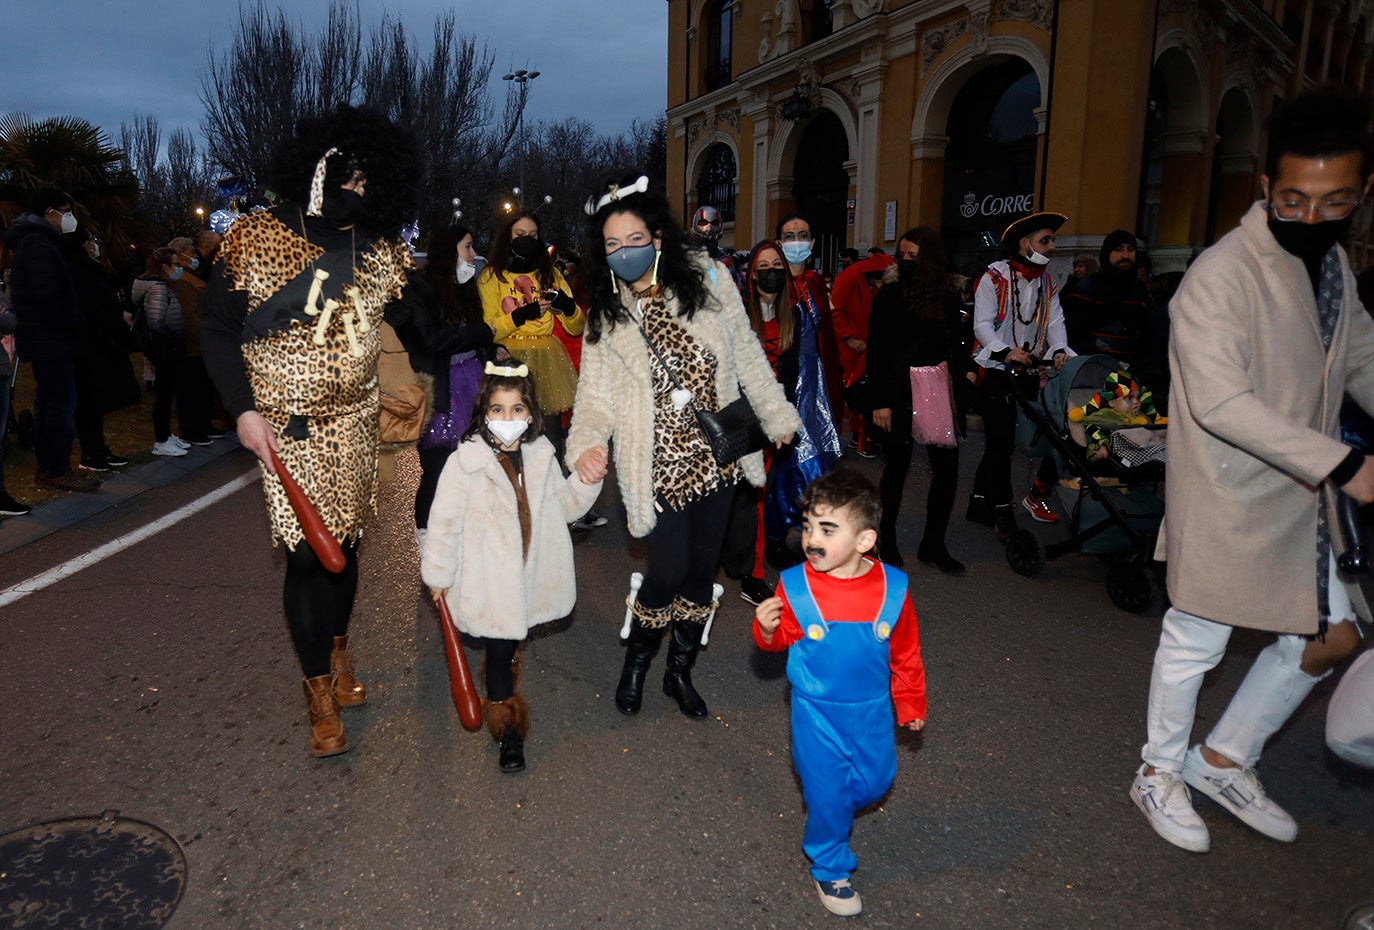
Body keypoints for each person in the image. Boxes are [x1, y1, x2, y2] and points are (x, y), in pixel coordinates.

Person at [1129, 88, 1374, 853]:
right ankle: (1157, 771)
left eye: (1334, 201)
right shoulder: (1220, 274)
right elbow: (1220, 401)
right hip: (1233, 494)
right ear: (1266, 187)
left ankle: (1223, 758)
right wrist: (1345, 461)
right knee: (1196, 638)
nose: (1311, 218)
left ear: (1363, 194)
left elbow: (1361, 356)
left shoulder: (1333, 267)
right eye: (1294, 199)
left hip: (1307, 498)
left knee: (1336, 635)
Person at [202, 106, 418, 758]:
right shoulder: (255, 238)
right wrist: (241, 409)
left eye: (369, 185)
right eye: (348, 177)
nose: (358, 191)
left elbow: (421, 330)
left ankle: (338, 648)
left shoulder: (378, 253)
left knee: (344, 551)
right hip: (283, 429)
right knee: (305, 556)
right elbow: (215, 330)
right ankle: (318, 692)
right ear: (318, 167)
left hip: (354, 425)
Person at [568, 174, 800, 719]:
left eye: (633, 238)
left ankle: (680, 671)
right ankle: (638, 663)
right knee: (667, 572)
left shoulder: (710, 281)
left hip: (715, 458)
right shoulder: (606, 314)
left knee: (701, 576)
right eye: (611, 245)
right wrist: (584, 445)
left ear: (658, 236)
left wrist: (775, 413)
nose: (624, 251)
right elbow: (593, 397)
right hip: (653, 466)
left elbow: (746, 356)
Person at [752, 469, 926, 917]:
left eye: (827, 529)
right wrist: (767, 629)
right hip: (815, 713)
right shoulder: (795, 584)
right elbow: (782, 637)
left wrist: (909, 702)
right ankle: (830, 865)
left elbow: (905, 652)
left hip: (870, 711)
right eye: (808, 525)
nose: (811, 538)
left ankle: (833, 810)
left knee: (875, 782)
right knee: (828, 790)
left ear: (865, 541)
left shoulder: (893, 588)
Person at [422, 364, 601, 772]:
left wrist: (587, 479)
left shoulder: (541, 456)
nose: (507, 419)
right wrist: (438, 576)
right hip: (490, 585)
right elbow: (444, 524)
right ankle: (508, 730)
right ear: (484, 412)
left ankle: (503, 665)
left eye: (517, 410)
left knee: (510, 642)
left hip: (530, 576)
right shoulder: (465, 463)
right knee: (500, 650)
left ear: (531, 415)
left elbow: (566, 507)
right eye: (498, 409)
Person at [867, 226, 972, 573]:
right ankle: (887, 539)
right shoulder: (888, 295)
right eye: (902, 256)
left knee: (947, 469)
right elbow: (877, 350)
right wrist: (879, 400)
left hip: (939, 385)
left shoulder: (949, 295)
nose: (907, 262)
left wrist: (964, 377)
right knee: (897, 467)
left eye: (914, 257)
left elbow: (957, 344)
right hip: (898, 388)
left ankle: (934, 544)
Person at [385, 223, 494, 546]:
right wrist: (483, 334)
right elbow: (431, 339)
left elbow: (471, 332)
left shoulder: (465, 288)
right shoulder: (419, 288)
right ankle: (427, 536)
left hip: (471, 383)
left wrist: (489, 346)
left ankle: (464, 535)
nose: (474, 255)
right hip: (438, 392)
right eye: (468, 247)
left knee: (473, 466)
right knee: (438, 469)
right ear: (449, 252)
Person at [967, 212, 1073, 539]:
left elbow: (1055, 322)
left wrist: (1059, 350)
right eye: (1046, 240)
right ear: (1025, 244)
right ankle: (1003, 511)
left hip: (1027, 371)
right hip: (996, 371)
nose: (1053, 246)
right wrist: (1004, 350)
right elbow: (982, 324)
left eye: (1053, 240)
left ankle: (978, 502)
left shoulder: (1047, 282)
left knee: (1002, 443)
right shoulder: (994, 278)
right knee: (1002, 443)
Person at [744, 240, 842, 571]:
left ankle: (754, 569)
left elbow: (795, 372)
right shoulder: (739, 314)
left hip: (776, 419)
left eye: (776, 266)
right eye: (763, 267)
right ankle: (737, 560)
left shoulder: (795, 316)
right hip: (744, 417)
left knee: (762, 494)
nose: (770, 272)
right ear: (752, 275)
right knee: (742, 497)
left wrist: (784, 417)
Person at [2, 188, 99, 492]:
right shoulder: (38, 244)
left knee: (53, 402)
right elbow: (48, 294)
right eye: (65, 211)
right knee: (58, 403)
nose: (69, 218)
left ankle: (54, 467)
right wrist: (72, 321)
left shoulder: (36, 242)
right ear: (49, 212)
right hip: (50, 337)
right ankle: (54, 469)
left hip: (47, 336)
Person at [62, 228, 132, 471]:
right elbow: (93, 306)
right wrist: (114, 317)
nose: (95, 244)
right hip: (89, 345)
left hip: (95, 343)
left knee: (95, 402)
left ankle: (97, 449)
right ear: (83, 245)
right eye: (91, 240)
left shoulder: (87, 269)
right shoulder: (79, 271)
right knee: (89, 402)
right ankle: (92, 453)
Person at [778, 213, 845, 425]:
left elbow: (827, 332)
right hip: (783, 372)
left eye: (802, 235)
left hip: (816, 373)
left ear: (812, 242)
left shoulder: (816, 281)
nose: (796, 241)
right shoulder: (773, 281)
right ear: (779, 243)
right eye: (789, 236)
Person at [830, 248, 893, 458]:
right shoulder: (850, 278)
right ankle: (843, 441)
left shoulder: (870, 282)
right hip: (848, 350)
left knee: (863, 394)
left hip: (864, 348)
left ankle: (861, 437)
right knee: (849, 395)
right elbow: (836, 310)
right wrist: (849, 338)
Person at [132, 248, 192, 457]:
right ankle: (161, 439)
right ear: (164, 267)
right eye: (175, 264)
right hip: (164, 348)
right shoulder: (158, 288)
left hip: (166, 347)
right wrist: (174, 340)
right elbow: (156, 321)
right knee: (164, 395)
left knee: (166, 393)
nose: (179, 268)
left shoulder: (163, 286)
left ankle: (166, 434)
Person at [1061, 229, 1151, 366]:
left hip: (1136, 371)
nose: (1125, 255)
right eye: (1118, 250)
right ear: (1107, 253)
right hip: (1094, 369)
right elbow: (1076, 336)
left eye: (1130, 250)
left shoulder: (1140, 289)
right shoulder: (1088, 288)